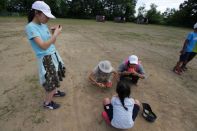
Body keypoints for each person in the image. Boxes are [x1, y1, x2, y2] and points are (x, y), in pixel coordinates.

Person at [25, 1, 66, 110]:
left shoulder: (43, 25)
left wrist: (53, 34)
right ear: (37, 13)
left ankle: (55, 92)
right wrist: (56, 33)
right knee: (51, 81)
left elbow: (51, 42)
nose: (48, 19)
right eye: (46, 16)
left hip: (53, 54)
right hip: (46, 58)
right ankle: (47, 103)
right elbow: (43, 46)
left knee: (56, 75)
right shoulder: (30, 27)